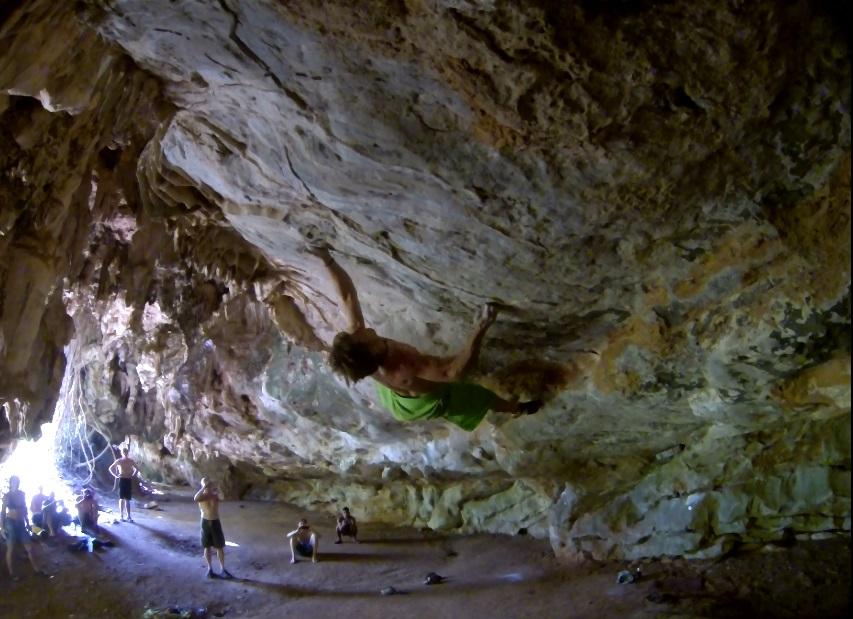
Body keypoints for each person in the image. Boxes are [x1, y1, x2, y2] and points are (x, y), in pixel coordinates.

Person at [314, 246, 543, 431]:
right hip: (418, 403)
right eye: (359, 335)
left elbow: (347, 297)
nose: (358, 329)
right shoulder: (404, 368)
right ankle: (518, 409)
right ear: (371, 351)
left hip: (395, 393)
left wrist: (326, 259)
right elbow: (453, 372)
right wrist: (481, 327)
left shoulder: (361, 346)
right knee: (480, 397)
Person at [1, 476, 47, 579]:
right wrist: (2, 527)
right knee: (11, 548)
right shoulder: (7, 496)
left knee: (29, 547)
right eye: (13, 482)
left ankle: (37, 569)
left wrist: (28, 523)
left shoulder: (22, 494)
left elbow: (25, 510)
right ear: (10, 483)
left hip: (21, 522)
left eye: (17, 482)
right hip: (10, 522)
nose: (15, 483)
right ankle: (12, 573)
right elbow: (3, 512)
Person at [193, 478, 233, 579]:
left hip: (215, 521)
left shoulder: (215, 495)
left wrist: (217, 488)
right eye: (206, 484)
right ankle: (210, 569)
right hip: (205, 522)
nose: (208, 486)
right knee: (207, 546)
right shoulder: (202, 496)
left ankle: (223, 569)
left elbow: (223, 497)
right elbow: (195, 498)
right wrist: (203, 488)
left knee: (219, 546)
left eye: (209, 484)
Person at [108, 447, 139, 522]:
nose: (125, 453)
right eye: (124, 452)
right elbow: (110, 468)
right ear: (122, 453)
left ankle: (128, 516)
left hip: (128, 479)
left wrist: (133, 475)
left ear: (127, 453)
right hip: (122, 479)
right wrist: (115, 475)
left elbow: (137, 469)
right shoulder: (119, 461)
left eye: (126, 452)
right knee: (122, 498)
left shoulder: (130, 461)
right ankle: (121, 515)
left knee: (127, 499)